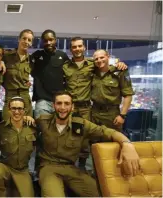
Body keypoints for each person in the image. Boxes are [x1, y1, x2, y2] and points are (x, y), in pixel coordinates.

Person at [36, 91, 140, 197]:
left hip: (70, 168)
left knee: (99, 194)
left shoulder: (81, 124)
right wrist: (26, 118)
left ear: (72, 107)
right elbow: (25, 126)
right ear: (53, 106)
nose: (62, 107)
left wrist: (127, 144)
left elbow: (107, 132)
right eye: (59, 103)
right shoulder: (43, 121)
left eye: (67, 103)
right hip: (48, 168)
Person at [63, 37, 128, 169]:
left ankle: (84, 167)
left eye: (80, 46)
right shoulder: (65, 66)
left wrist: (119, 64)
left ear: (84, 48)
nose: (77, 49)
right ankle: (67, 165)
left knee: (86, 138)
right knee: (69, 137)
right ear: (70, 49)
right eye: (74, 47)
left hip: (86, 108)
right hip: (70, 108)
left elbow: (106, 67)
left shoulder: (92, 64)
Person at [0, 96, 36, 197]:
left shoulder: (32, 127)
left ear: (24, 110)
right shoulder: (1, 128)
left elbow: (42, 147)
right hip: (5, 166)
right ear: (9, 110)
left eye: (20, 109)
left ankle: (14, 188)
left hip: (22, 170)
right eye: (13, 108)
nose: (16, 112)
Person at [91, 49, 134, 132]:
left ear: (108, 57)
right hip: (94, 114)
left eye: (102, 57)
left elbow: (128, 95)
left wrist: (122, 115)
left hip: (112, 115)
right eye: (96, 59)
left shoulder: (119, 72)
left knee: (112, 141)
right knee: (94, 141)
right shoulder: (92, 72)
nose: (99, 60)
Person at [31, 29, 69, 119]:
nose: (48, 42)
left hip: (60, 101)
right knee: (42, 130)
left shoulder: (63, 56)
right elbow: (21, 61)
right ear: (42, 42)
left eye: (51, 39)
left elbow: (70, 75)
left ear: (55, 40)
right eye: (45, 40)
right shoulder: (36, 55)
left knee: (60, 130)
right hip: (42, 100)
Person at [2, 29, 34, 121]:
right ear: (19, 39)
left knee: (27, 125)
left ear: (31, 43)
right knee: (7, 125)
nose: (26, 42)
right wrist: (0, 61)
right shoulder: (7, 56)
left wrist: (29, 83)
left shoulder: (31, 60)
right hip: (10, 95)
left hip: (25, 96)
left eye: (29, 40)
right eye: (24, 38)